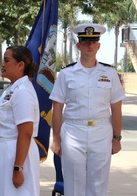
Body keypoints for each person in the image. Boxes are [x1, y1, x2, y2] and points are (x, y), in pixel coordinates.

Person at [49, 23, 126, 196]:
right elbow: (57, 108)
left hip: (101, 132)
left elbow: (116, 108)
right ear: (78, 45)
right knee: (73, 183)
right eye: (85, 41)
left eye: (93, 42)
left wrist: (117, 138)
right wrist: (56, 139)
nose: (89, 45)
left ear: (98, 46)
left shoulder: (110, 73)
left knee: (98, 184)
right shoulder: (67, 74)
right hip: (73, 132)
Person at [0, 45, 40, 196]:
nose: (3, 64)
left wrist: (17, 168)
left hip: (15, 151)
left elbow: (25, 133)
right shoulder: (12, 89)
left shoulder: (23, 92)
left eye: (7, 60)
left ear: (20, 65)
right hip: (5, 149)